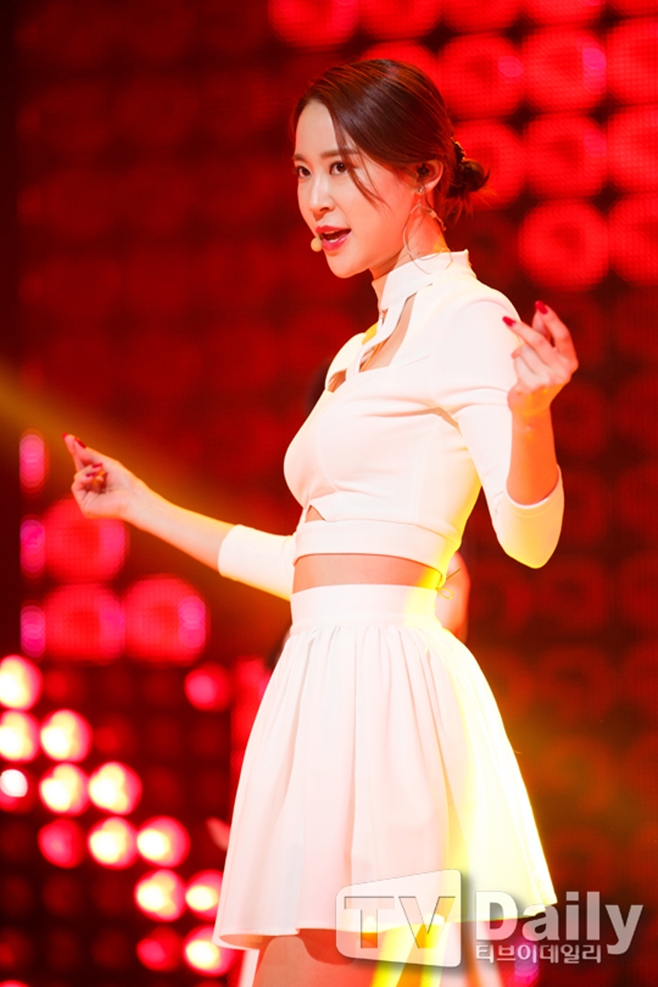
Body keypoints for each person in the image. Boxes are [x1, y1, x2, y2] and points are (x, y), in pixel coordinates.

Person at [64, 60, 578, 986]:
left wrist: (532, 418)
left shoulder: (470, 318)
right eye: (303, 171)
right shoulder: (356, 353)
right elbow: (314, 564)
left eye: (342, 166)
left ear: (425, 173)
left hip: (380, 691)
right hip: (324, 677)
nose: (316, 199)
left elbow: (531, 541)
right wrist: (140, 506)